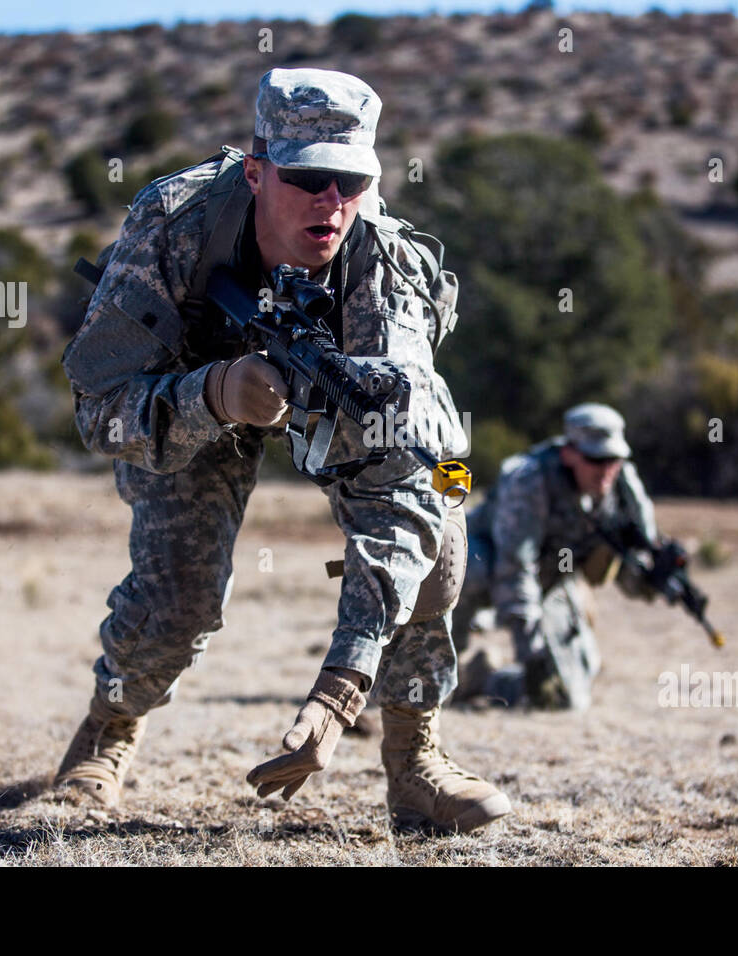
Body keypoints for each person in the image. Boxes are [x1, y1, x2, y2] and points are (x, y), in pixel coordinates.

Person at [53, 67, 510, 834]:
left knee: (441, 514)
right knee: (180, 601)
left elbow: (411, 487)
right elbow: (98, 410)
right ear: (258, 172)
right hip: (191, 396)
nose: (332, 204)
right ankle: (108, 731)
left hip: (334, 399)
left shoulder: (385, 269)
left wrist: (341, 686)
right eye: (309, 178)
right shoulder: (176, 227)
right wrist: (214, 394)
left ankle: (415, 759)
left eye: (352, 181)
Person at [452, 403, 661, 710]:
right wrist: (531, 655)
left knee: (564, 699)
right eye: (595, 459)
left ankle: (481, 677)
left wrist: (653, 576)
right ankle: (434, 667)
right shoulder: (529, 478)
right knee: (464, 569)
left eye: (613, 460)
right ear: (569, 453)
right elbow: (515, 568)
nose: (605, 471)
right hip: (491, 564)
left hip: (551, 580)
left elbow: (627, 573)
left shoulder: (622, 487)